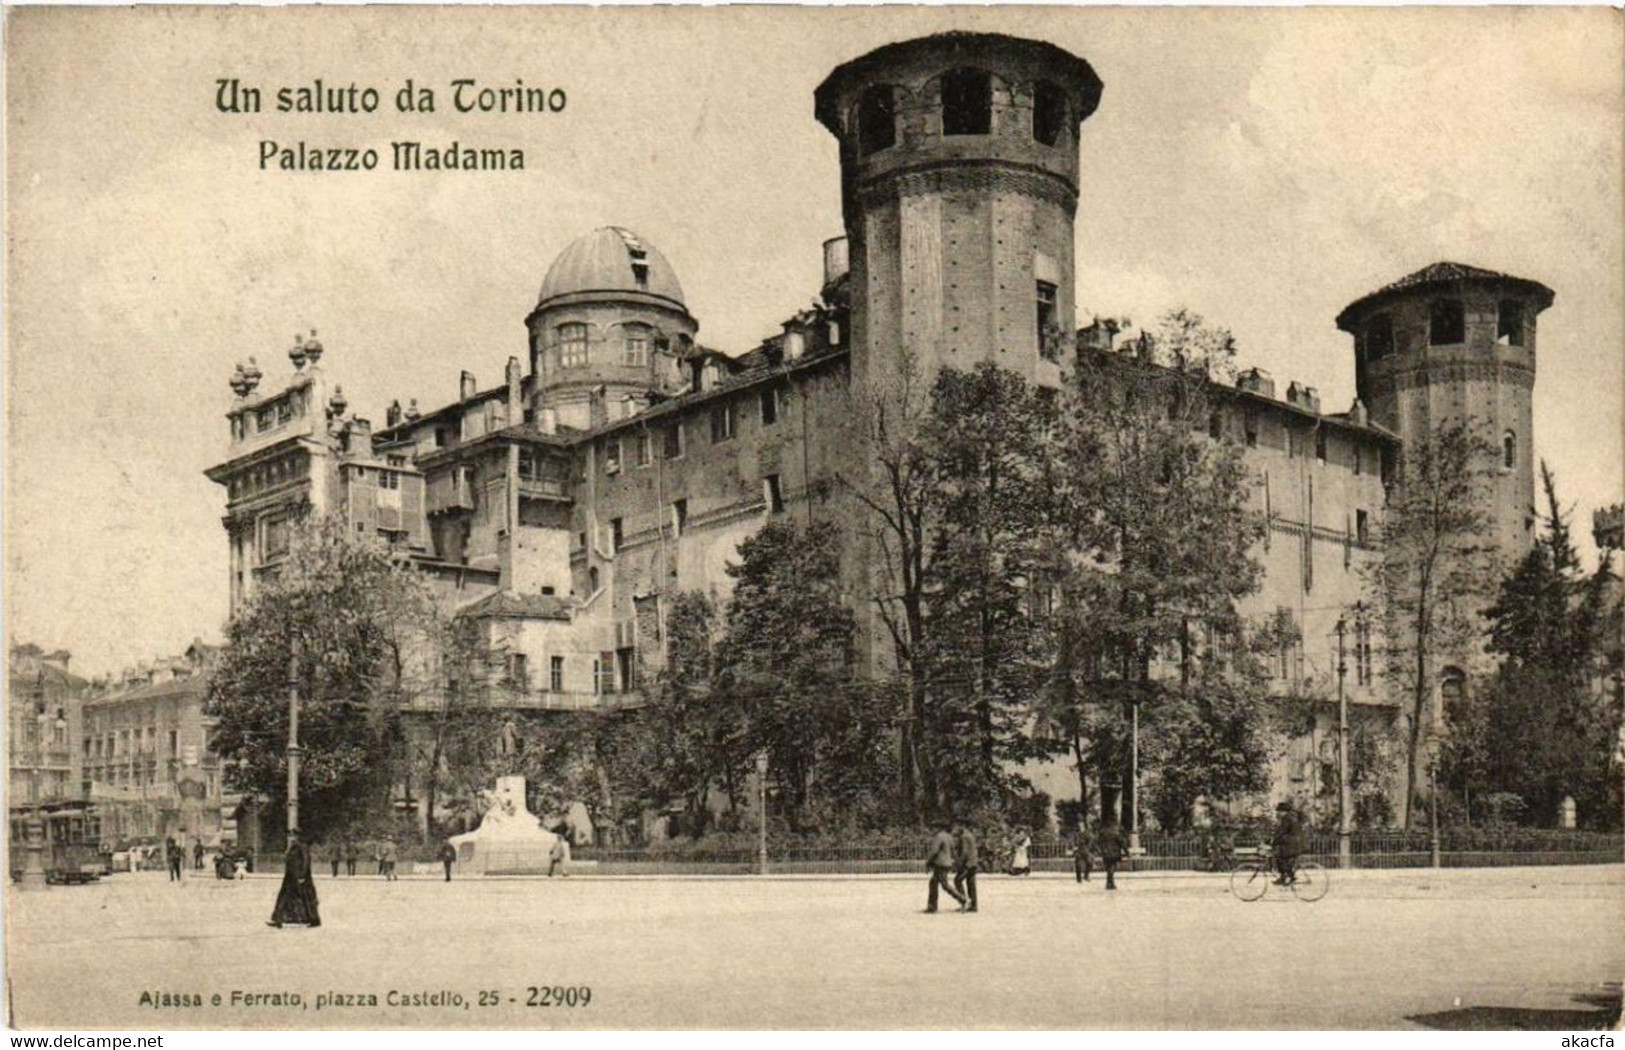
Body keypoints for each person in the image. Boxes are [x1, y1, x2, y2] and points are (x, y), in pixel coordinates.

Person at [268, 831, 321, 928]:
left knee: (306, 898)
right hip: (290, 877)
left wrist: (302, 876)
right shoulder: (292, 847)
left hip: (299, 877)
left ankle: (314, 920)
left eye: (293, 836)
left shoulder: (302, 846)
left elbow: (306, 861)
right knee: (285, 898)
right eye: (289, 836)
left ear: (297, 836)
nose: (291, 838)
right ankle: (278, 919)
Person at [924, 821, 966, 913]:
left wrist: (928, 862)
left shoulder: (939, 836)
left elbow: (934, 851)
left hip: (940, 864)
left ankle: (962, 899)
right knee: (933, 883)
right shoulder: (949, 837)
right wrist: (957, 863)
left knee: (945, 885)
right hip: (946, 863)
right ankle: (932, 906)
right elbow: (953, 852)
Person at [1272, 801, 1304, 885]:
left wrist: (1274, 841)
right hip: (1295, 843)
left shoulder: (1287, 819)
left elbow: (1282, 832)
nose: (1278, 813)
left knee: (1279, 856)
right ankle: (1288, 876)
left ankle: (1286, 877)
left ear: (1284, 811)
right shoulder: (1293, 817)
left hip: (1290, 844)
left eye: (1279, 811)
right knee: (1283, 858)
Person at [952, 821, 979, 913]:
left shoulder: (964, 836)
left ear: (961, 826)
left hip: (967, 864)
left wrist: (959, 863)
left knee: (957, 881)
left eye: (956, 826)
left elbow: (965, 852)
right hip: (973, 862)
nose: (954, 829)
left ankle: (964, 901)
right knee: (971, 884)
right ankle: (973, 905)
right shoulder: (970, 835)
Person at [1098, 817, 1125, 890]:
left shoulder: (1103, 833)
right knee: (1113, 866)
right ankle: (1110, 881)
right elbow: (1122, 842)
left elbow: (1099, 842)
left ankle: (1110, 883)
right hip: (1114, 852)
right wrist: (1126, 852)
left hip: (1105, 852)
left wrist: (1101, 850)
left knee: (1108, 867)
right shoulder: (1116, 833)